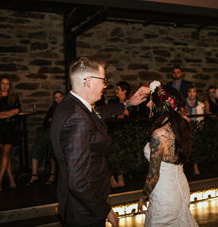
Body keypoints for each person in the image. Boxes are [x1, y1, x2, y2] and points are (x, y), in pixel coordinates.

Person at [51, 56, 147, 227]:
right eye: (103, 80)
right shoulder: (77, 118)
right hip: (84, 210)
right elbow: (78, 183)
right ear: (88, 81)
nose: (105, 85)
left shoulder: (72, 104)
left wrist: (128, 104)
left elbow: (99, 113)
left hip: (76, 203)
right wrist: (106, 210)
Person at [136, 82, 198, 227]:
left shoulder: (158, 134)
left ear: (160, 104)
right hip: (182, 187)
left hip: (164, 194)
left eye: (151, 101)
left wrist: (143, 197)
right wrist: (154, 90)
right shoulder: (184, 122)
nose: (147, 105)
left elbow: (153, 175)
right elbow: (173, 106)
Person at [0, 77, 21, 192]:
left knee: (5, 153)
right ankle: (11, 178)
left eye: (7, 84)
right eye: (3, 83)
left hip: (10, 128)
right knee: (5, 155)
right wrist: (9, 114)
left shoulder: (14, 98)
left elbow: (16, 111)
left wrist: (0, 114)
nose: (5, 86)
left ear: (10, 85)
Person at [27, 91, 63, 186]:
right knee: (36, 148)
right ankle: (34, 174)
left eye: (60, 96)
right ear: (54, 99)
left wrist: (53, 120)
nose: (58, 99)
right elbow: (45, 122)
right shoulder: (52, 108)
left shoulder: (66, 107)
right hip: (50, 131)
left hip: (60, 132)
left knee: (52, 149)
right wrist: (51, 120)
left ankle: (53, 174)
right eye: (56, 97)